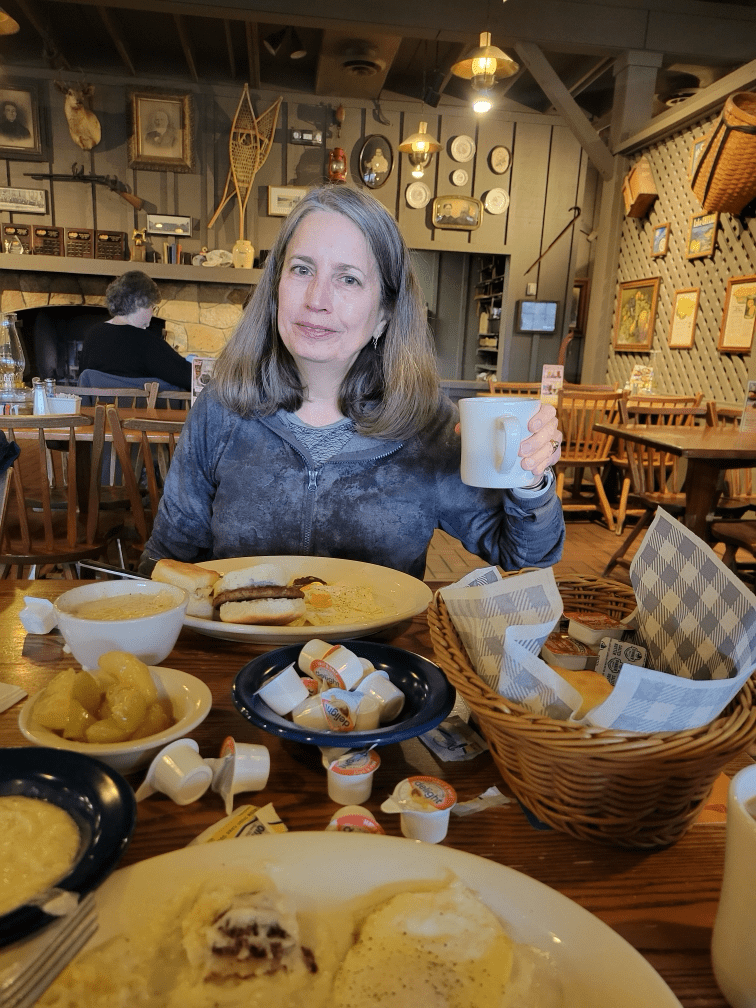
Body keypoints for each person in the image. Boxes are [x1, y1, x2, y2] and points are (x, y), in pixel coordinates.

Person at [139, 185, 563, 578]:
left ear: (384, 313)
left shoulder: (429, 425)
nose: (316, 300)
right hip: (242, 658)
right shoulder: (220, 410)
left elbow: (525, 556)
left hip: (376, 660)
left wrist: (528, 477)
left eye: (348, 279)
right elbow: (167, 561)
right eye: (302, 270)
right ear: (275, 289)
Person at [79, 271, 191, 389]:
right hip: (142, 408)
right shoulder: (147, 342)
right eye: (151, 307)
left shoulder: (93, 335)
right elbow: (189, 378)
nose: (152, 314)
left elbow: (84, 381)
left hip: (100, 407)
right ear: (139, 302)